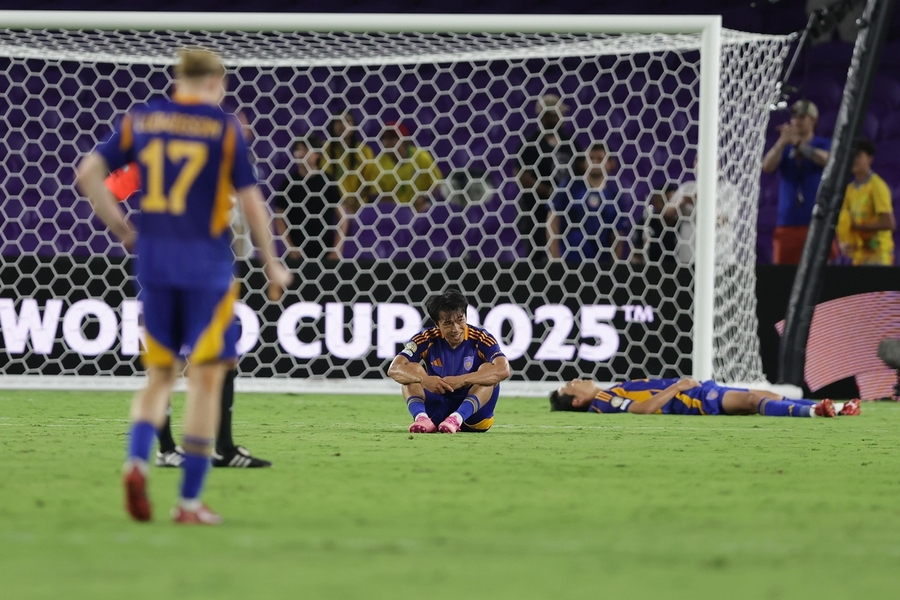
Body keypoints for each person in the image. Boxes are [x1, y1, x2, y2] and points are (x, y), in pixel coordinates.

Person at [76, 47, 291, 524]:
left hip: (153, 263)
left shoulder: (143, 121)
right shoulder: (223, 129)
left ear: (178, 78)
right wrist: (272, 263)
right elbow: (254, 204)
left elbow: (87, 173)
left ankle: (136, 461)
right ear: (217, 81)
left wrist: (123, 228)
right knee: (206, 380)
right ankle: (189, 503)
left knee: (158, 378)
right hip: (207, 269)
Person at [387, 288, 511, 434]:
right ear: (437, 324)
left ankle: (457, 418)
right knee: (411, 368)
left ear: (466, 316)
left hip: (474, 418)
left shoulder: (481, 337)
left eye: (460, 320)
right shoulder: (425, 337)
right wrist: (423, 379)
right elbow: (394, 368)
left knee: (488, 369)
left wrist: (463, 380)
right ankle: (422, 418)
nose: (456, 329)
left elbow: (503, 370)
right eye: (447, 323)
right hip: (438, 410)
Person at [549, 378, 861, 418]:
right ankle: (815, 413)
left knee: (761, 394)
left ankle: (836, 407)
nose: (576, 380)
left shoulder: (608, 391)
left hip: (696, 391)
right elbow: (642, 409)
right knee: (753, 402)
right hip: (694, 400)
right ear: (578, 402)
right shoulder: (604, 401)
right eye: (570, 386)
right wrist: (678, 388)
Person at [515, 93, 585, 266]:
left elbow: (582, 167)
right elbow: (522, 176)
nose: (560, 118)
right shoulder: (530, 144)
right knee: (538, 256)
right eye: (555, 114)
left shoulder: (570, 142)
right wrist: (549, 192)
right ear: (545, 115)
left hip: (568, 211)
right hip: (536, 211)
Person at [761, 99, 831, 265]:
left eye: (802, 117)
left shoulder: (822, 143)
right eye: (794, 116)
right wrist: (781, 142)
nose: (797, 120)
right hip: (788, 222)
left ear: (814, 120)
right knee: (783, 274)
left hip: (816, 221)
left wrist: (798, 144)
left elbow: (826, 160)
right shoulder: (785, 147)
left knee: (820, 272)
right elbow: (767, 167)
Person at [550, 142, 625, 263]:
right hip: (568, 263)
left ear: (610, 164)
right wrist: (554, 258)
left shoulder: (614, 197)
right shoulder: (568, 187)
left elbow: (617, 234)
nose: (594, 162)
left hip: (601, 265)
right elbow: (552, 220)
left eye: (600, 158)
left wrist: (614, 265)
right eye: (590, 158)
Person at [274, 135, 343, 261]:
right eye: (298, 150)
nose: (300, 154)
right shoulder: (288, 182)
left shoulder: (328, 181)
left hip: (325, 254)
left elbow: (343, 218)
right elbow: (279, 217)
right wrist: (290, 247)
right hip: (296, 256)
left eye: (305, 149)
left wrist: (337, 249)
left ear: (317, 154)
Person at [836, 138, 895, 266]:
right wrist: (842, 243)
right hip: (859, 256)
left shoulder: (877, 186)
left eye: (858, 155)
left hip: (878, 256)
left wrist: (857, 226)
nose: (854, 159)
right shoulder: (849, 189)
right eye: (851, 155)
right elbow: (843, 220)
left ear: (870, 159)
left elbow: (889, 223)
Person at [374, 121, 442, 212]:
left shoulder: (421, 156)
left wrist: (424, 198)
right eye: (384, 138)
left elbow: (436, 184)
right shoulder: (378, 163)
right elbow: (378, 194)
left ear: (404, 139)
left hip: (422, 205)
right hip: (394, 210)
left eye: (392, 137)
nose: (387, 142)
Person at [321, 111, 379, 212]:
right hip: (330, 205)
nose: (342, 124)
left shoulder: (364, 151)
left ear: (353, 125)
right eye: (338, 121)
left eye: (347, 121)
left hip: (359, 206)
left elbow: (370, 184)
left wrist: (353, 201)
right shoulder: (324, 149)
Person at [631, 184, 680, 264]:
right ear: (655, 201)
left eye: (671, 202)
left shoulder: (683, 225)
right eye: (663, 201)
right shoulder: (645, 222)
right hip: (649, 271)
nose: (668, 206)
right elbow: (636, 254)